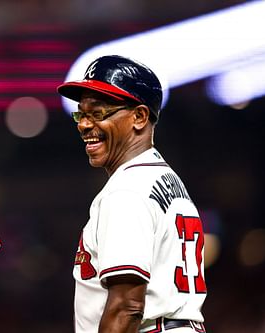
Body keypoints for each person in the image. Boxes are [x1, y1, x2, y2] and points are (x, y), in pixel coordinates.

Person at [57, 55, 207, 333]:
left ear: (139, 116)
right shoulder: (167, 180)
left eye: (98, 113)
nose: (84, 124)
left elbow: (127, 307)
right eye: (81, 114)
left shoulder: (127, 189)